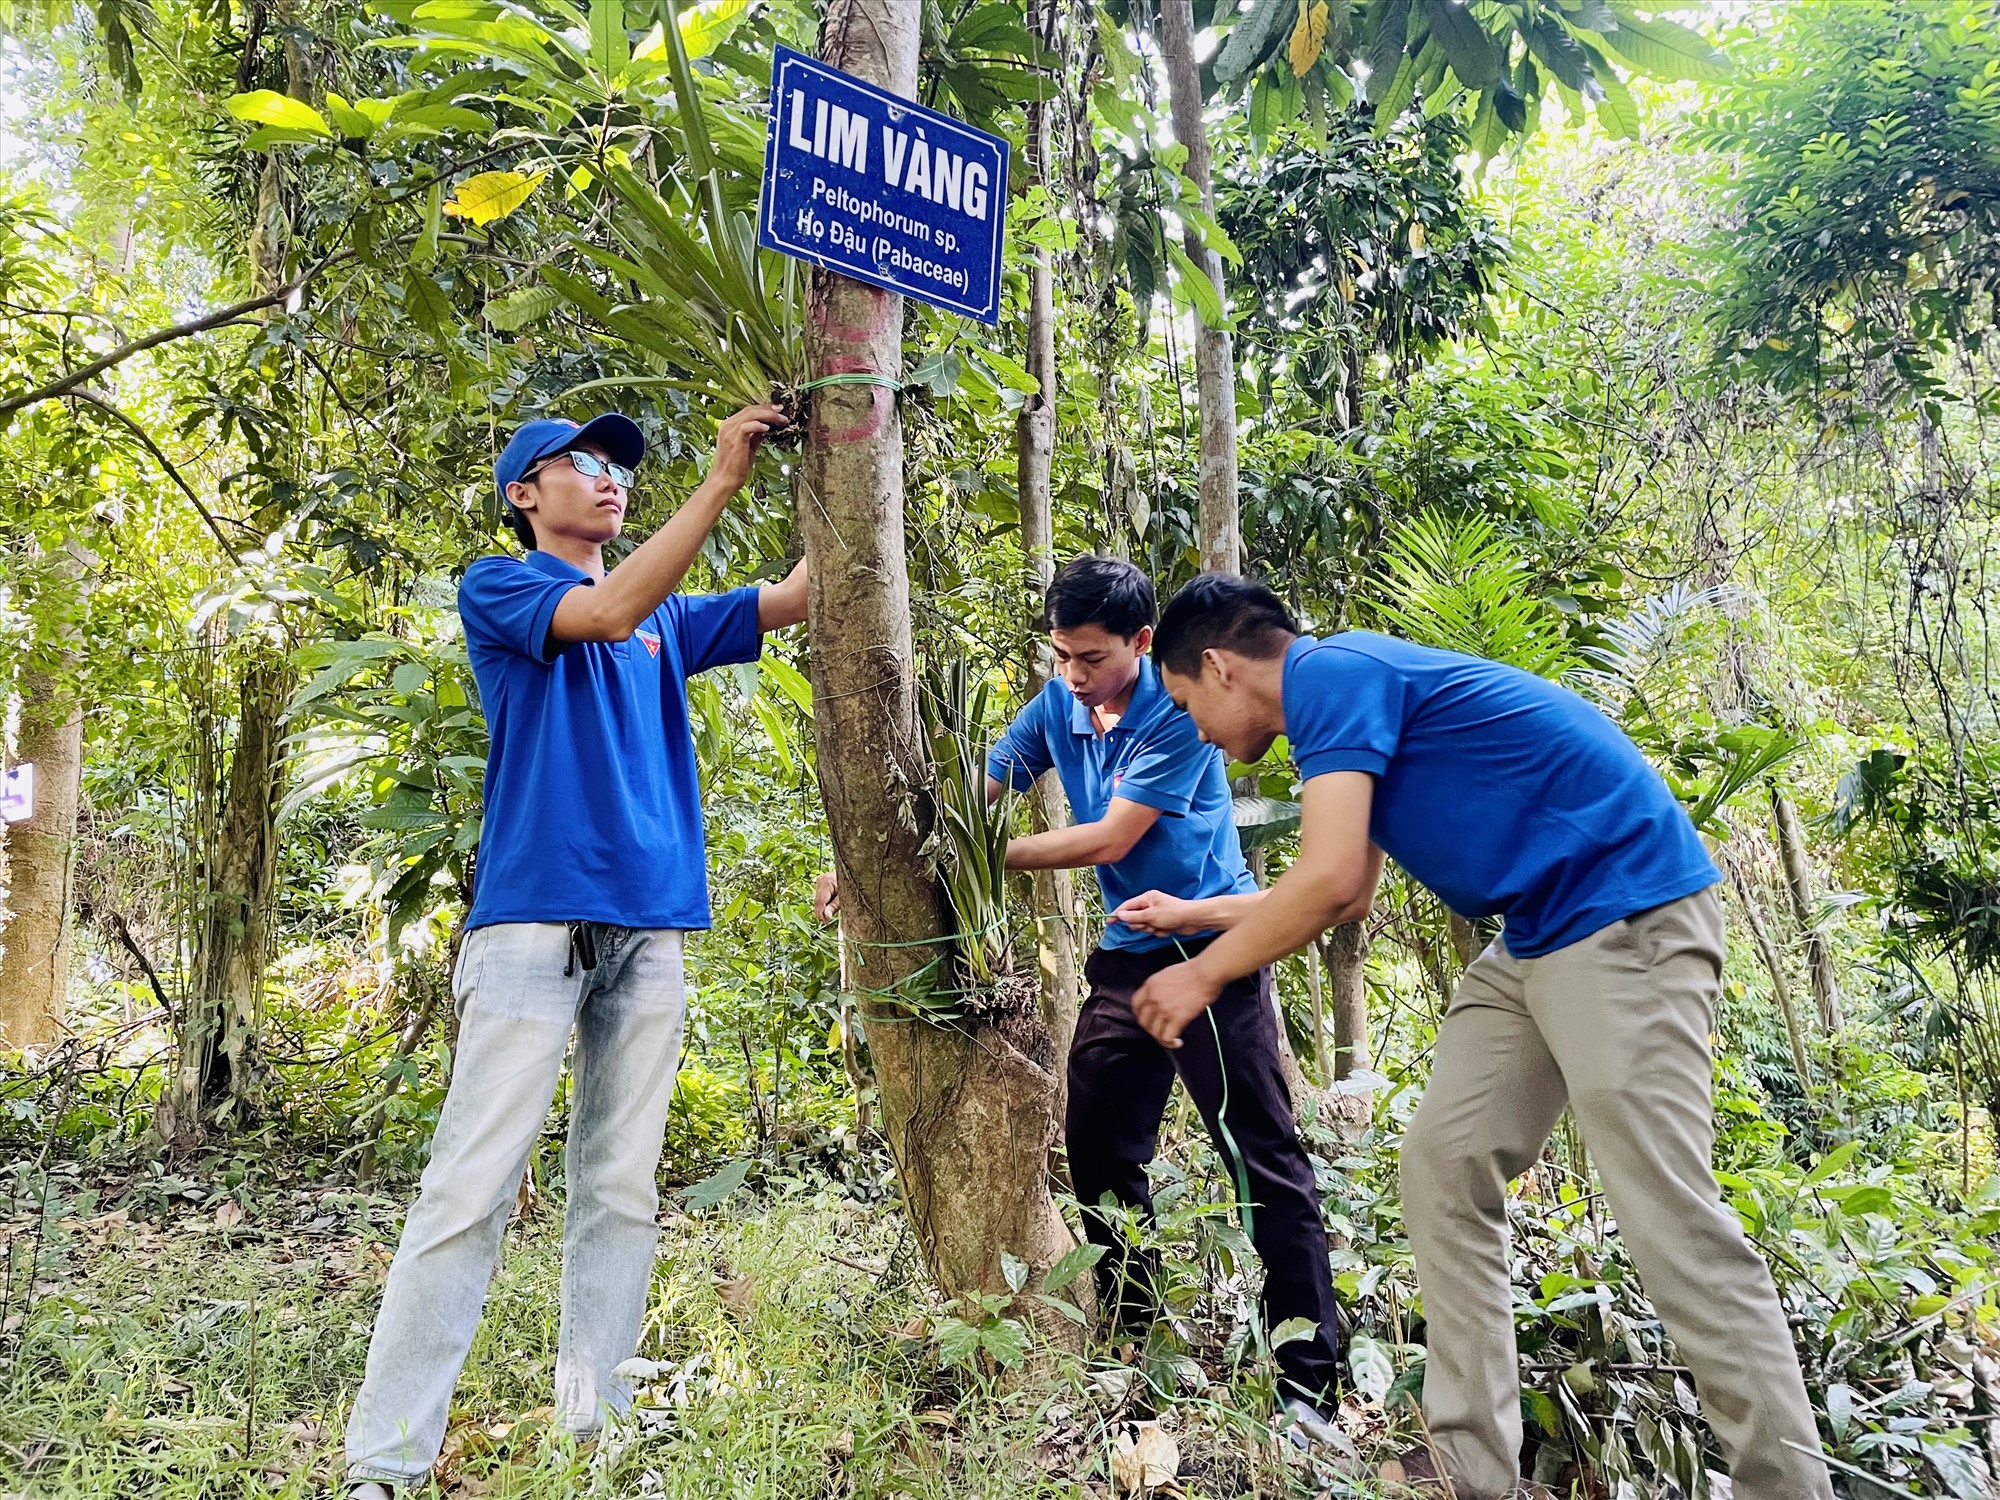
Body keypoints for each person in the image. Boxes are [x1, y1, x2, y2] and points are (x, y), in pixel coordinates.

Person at [1113, 573, 1833, 1500]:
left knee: (1667, 1212)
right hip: (1534, 935)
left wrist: (1203, 972)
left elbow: (1329, 881)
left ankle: (1788, 1486)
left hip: (1625, 917)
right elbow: (1348, 886)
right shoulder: (1339, 706)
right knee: (1444, 1163)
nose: (1198, 731)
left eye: (1186, 704)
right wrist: (1200, 919)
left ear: (1219, 666)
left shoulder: (1328, 674)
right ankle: (1469, 1465)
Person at [345, 404, 800, 1495]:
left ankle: (597, 1429)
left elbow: (799, 595)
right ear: (522, 495)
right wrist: (722, 481)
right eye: (581, 464)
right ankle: (384, 1462)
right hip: (532, 922)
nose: (609, 480)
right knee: (470, 1188)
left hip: (650, 923)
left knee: (621, 1184)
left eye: (619, 468)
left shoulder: (669, 623)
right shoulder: (506, 589)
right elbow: (605, 609)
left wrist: (845, 439)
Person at [820, 556, 1347, 1443]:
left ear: (1141, 645)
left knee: (1261, 1163)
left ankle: (1308, 1388)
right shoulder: (1058, 701)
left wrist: (969, 854)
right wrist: (887, 852)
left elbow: (1111, 836)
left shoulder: (1179, 712)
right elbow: (986, 780)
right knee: (1099, 1149)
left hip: (1213, 951)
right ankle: (1137, 1341)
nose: (1073, 672)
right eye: (1061, 653)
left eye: (1092, 656)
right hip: (1127, 957)